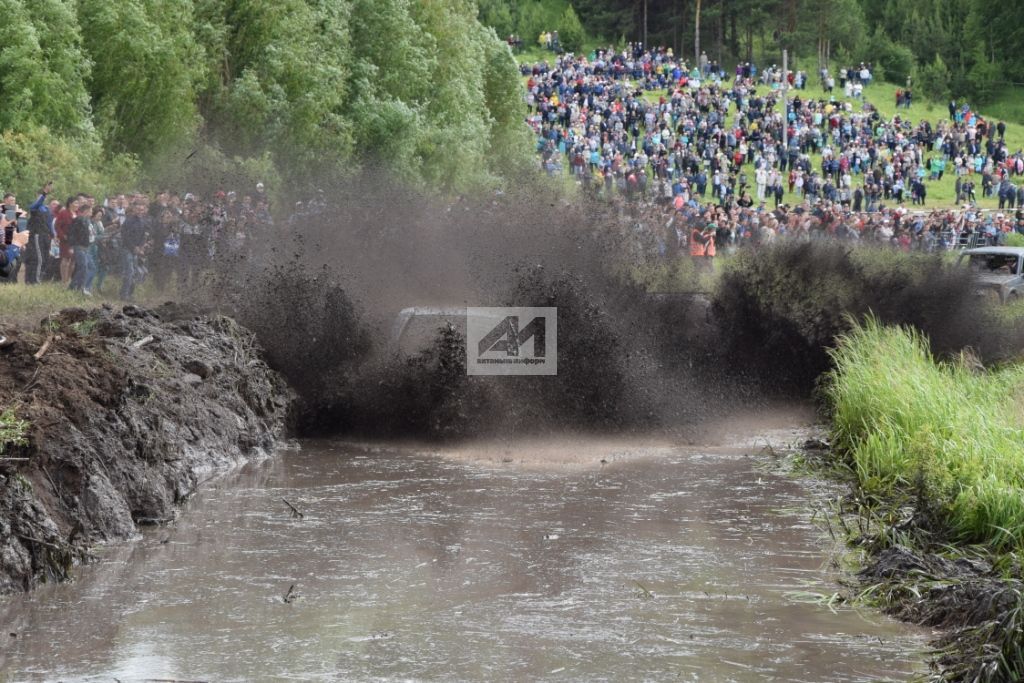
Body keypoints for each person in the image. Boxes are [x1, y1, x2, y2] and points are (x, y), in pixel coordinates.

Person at [119, 200, 149, 301]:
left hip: (136, 250)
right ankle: (124, 294)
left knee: (135, 272)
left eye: (142, 209)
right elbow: (125, 236)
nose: (140, 211)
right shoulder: (129, 220)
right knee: (129, 272)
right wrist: (133, 247)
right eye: (138, 209)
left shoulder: (143, 221)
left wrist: (140, 247)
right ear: (134, 209)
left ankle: (130, 294)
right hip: (127, 249)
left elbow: (144, 235)